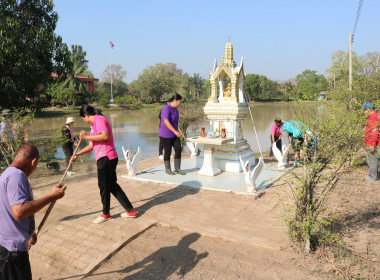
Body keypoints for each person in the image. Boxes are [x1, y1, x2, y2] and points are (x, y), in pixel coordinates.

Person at [0, 145, 66, 280]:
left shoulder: (6, 174)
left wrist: (28, 233)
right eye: (36, 166)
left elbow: (8, 211)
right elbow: (19, 211)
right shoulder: (17, 176)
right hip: (12, 255)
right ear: (34, 161)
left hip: (7, 249)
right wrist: (52, 197)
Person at [70, 105, 137, 224]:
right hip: (106, 158)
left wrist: (86, 136)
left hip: (106, 157)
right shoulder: (93, 125)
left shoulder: (99, 120)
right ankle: (130, 211)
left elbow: (105, 136)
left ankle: (106, 214)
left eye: (83, 118)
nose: (84, 121)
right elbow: (91, 146)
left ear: (85, 116)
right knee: (111, 185)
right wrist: (77, 155)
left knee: (104, 187)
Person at [159, 93, 185, 175]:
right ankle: (168, 169)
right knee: (168, 151)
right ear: (175, 100)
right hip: (166, 134)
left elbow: (175, 122)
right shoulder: (166, 109)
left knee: (178, 149)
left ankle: (177, 168)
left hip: (174, 134)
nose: (179, 104)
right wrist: (175, 131)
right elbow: (166, 121)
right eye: (179, 102)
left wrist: (177, 131)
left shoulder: (176, 110)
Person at [363, 102, 379, 181]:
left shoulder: (372, 118)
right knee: (373, 159)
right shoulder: (376, 115)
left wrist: (372, 144)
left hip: (371, 142)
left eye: (364, 110)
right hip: (372, 142)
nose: (364, 112)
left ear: (368, 110)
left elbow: (374, 132)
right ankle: (375, 175)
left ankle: (372, 177)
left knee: (371, 159)